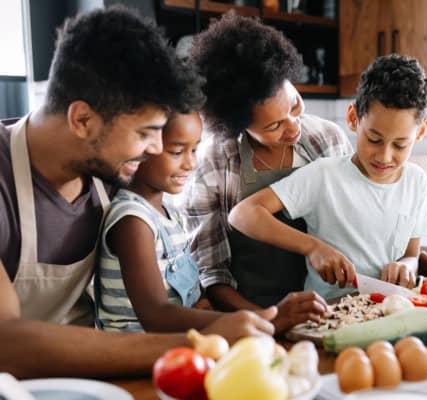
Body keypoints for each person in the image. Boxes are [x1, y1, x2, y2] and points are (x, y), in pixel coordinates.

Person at [0, 7, 275, 379]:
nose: (154, 150)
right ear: (82, 119)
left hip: (88, 380)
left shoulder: (109, 171)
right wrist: (200, 341)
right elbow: (7, 343)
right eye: (145, 133)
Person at [180, 13, 354, 332]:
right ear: (238, 125)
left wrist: (418, 259)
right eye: (274, 126)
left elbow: (357, 229)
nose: (293, 129)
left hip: (332, 314)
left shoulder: (327, 140)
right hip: (253, 317)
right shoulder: (214, 163)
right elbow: (212, 275)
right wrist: (270, 320)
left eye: (295, 106)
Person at [229, 54, 427, 299]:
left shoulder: (417, 181)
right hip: (329, 317)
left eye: (400, 145)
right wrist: (313, 248)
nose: (384, 156)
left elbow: (411, 253)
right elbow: (242, 214)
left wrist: (406, 266)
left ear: (421, 131)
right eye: (374, 139)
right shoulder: (324, 175)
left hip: (391, 310)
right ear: (353, 118)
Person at [96, 112, 251, 334]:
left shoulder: (169, 212)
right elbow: (156, 315)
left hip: (173, 340)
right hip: (135, 351)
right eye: (177, 152)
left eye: (194, 149)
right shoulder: (133, 221)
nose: (191, 163)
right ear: (139, 148)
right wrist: (240, 321)